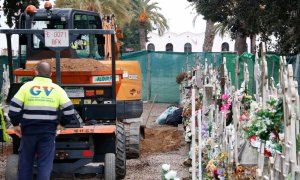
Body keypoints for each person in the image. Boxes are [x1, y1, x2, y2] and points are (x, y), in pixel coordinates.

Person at [8, 61, 75, 180]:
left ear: (36, 72)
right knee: (44, 165)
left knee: (25, 165)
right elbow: (69, 110)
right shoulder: (57, 89)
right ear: (51, 74)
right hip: (47, 133)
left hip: (28, 132)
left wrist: (15, 124)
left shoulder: (26, 87)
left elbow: (13, 108)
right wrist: (61, 124)